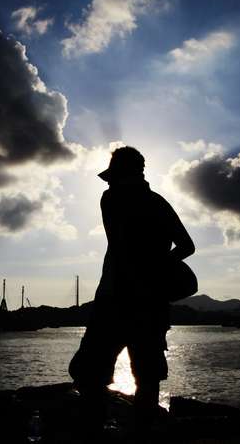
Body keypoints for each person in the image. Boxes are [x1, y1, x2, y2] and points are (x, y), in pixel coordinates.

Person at [69, 146, 195, 431]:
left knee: (90, 373)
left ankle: (94, 430)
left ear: (123, 174)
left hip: (114, 300)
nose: (109, 182)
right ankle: (142, 431)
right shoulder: (157, 203)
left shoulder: (111, 199)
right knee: (147, 377)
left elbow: (124, 242)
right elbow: (187, 246)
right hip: (150, 304)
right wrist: (161, 264)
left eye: (114, 176)